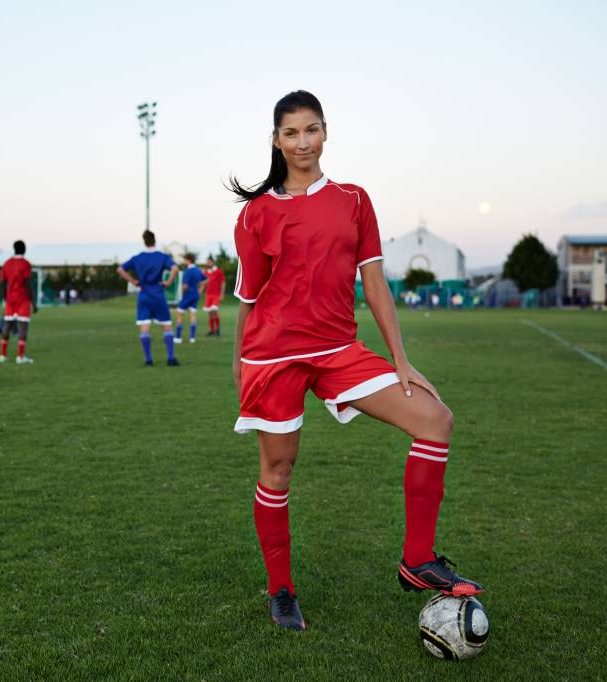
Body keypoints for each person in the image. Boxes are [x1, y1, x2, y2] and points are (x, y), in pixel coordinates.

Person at [229, 91, 482, 632]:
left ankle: (416, 560)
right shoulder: (256, 214)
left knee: (435, 419)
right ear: (276, 140)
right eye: (291, 133)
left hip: (339, 349)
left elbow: (373, 282)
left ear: (326, 132)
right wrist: (240, 370)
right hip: (273, 355)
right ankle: (281, 590)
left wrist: (401, 359)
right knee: (277, 469)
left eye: (312, 129)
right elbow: (249, 304)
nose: (303, 142)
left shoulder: (353, 200)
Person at [117, 230, 179, 366]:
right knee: (166, 326)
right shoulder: (162, 257)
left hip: (144, 295)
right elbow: (175, 268)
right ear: (154, 241)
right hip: (158, 294)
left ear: (144, 241)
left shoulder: (138, 257)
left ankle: (148, 359)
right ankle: (170, 358)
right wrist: (168, 282)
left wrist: (133, 281)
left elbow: (120, 269)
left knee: (145, 327)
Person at [0, 240, 36, 364]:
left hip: (10, 299)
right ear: (23, 249)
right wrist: (33, 302)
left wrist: (5, 299)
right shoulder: (26, 264)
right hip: (22, 299)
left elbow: (3, 283)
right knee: (22, 327)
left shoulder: (6, 263)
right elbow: (27, 284)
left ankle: (3, 355)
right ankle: (20, 356)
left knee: (7, 325)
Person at [174, 254, 206, 344]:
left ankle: (178, 338)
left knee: (180, 314)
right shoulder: (198, 270)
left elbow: (185, 286)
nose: (183, 261)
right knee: (193, 316)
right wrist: (199, 291)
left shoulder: (187, 271)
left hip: (187, 295)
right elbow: (205, 280)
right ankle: (192, 338)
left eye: (184, 259)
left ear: (188, 260)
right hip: (195, 295)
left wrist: (182, 295)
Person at [203, 257, 226, 336]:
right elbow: (203, 283)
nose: (208, 263)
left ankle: (218, 330)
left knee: (214, 311)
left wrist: (222, 294)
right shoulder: (206, 272)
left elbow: (223, 283)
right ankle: (212, 331)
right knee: (210, 312)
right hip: (208, 295)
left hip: (216, 295)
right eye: (207, 262)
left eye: (209, 262)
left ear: (213, 262)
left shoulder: (219, 271)